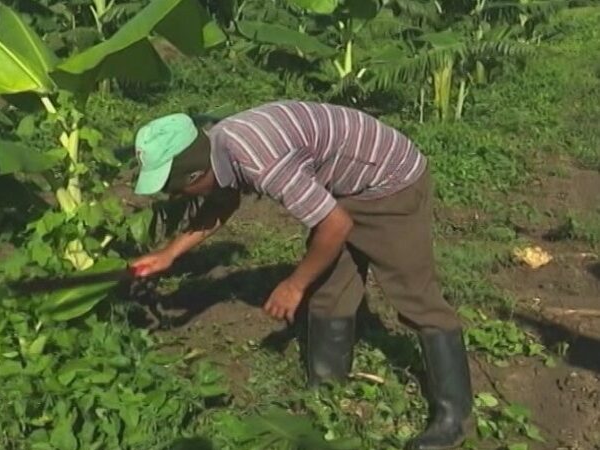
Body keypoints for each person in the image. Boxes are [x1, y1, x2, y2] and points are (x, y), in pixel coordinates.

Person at [129, 100, 472, 450]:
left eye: (175, 190)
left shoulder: (259, 159)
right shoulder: (218, 145)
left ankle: (454, 417)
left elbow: (335, 225)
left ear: (193, 176)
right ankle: (326, 395)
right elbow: (223, 202)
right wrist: (168, 254)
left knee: (415, 297)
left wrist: (294, 286)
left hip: (389, 182)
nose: (175, 197)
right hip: (343, 189)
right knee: (329, 291)